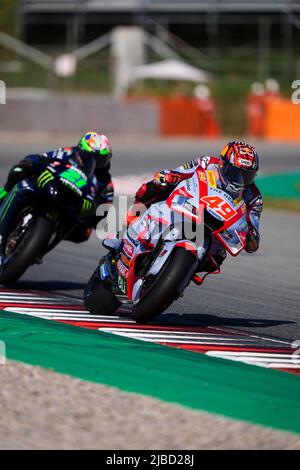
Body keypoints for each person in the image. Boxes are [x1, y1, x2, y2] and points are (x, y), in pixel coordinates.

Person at [105, 141, 263, 273]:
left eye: (246, 176)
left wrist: (251, 238)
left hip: (217, 230)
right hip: (190, 205)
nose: (240, 181)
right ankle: (122, 231)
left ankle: (179, 275)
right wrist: (170, 176)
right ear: (223, 164)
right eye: (235, 173)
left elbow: (253, 233)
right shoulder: (206, 163)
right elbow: (179, 172)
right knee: (152, 188)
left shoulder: (254, 197)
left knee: (218, 257)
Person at [0, 131, 114, 243]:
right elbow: (40, 159)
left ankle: (41, 242)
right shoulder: (67, 152)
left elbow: (105, 210)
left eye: (101, 160)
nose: (95, 163)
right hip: (52, 185)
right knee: (19, 171)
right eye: (90, 157)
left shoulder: (105, 181)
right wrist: (33, 165)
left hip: (75, 205)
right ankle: (5, 194)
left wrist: (92, 211)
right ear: (80, 150)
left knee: (84, 233)